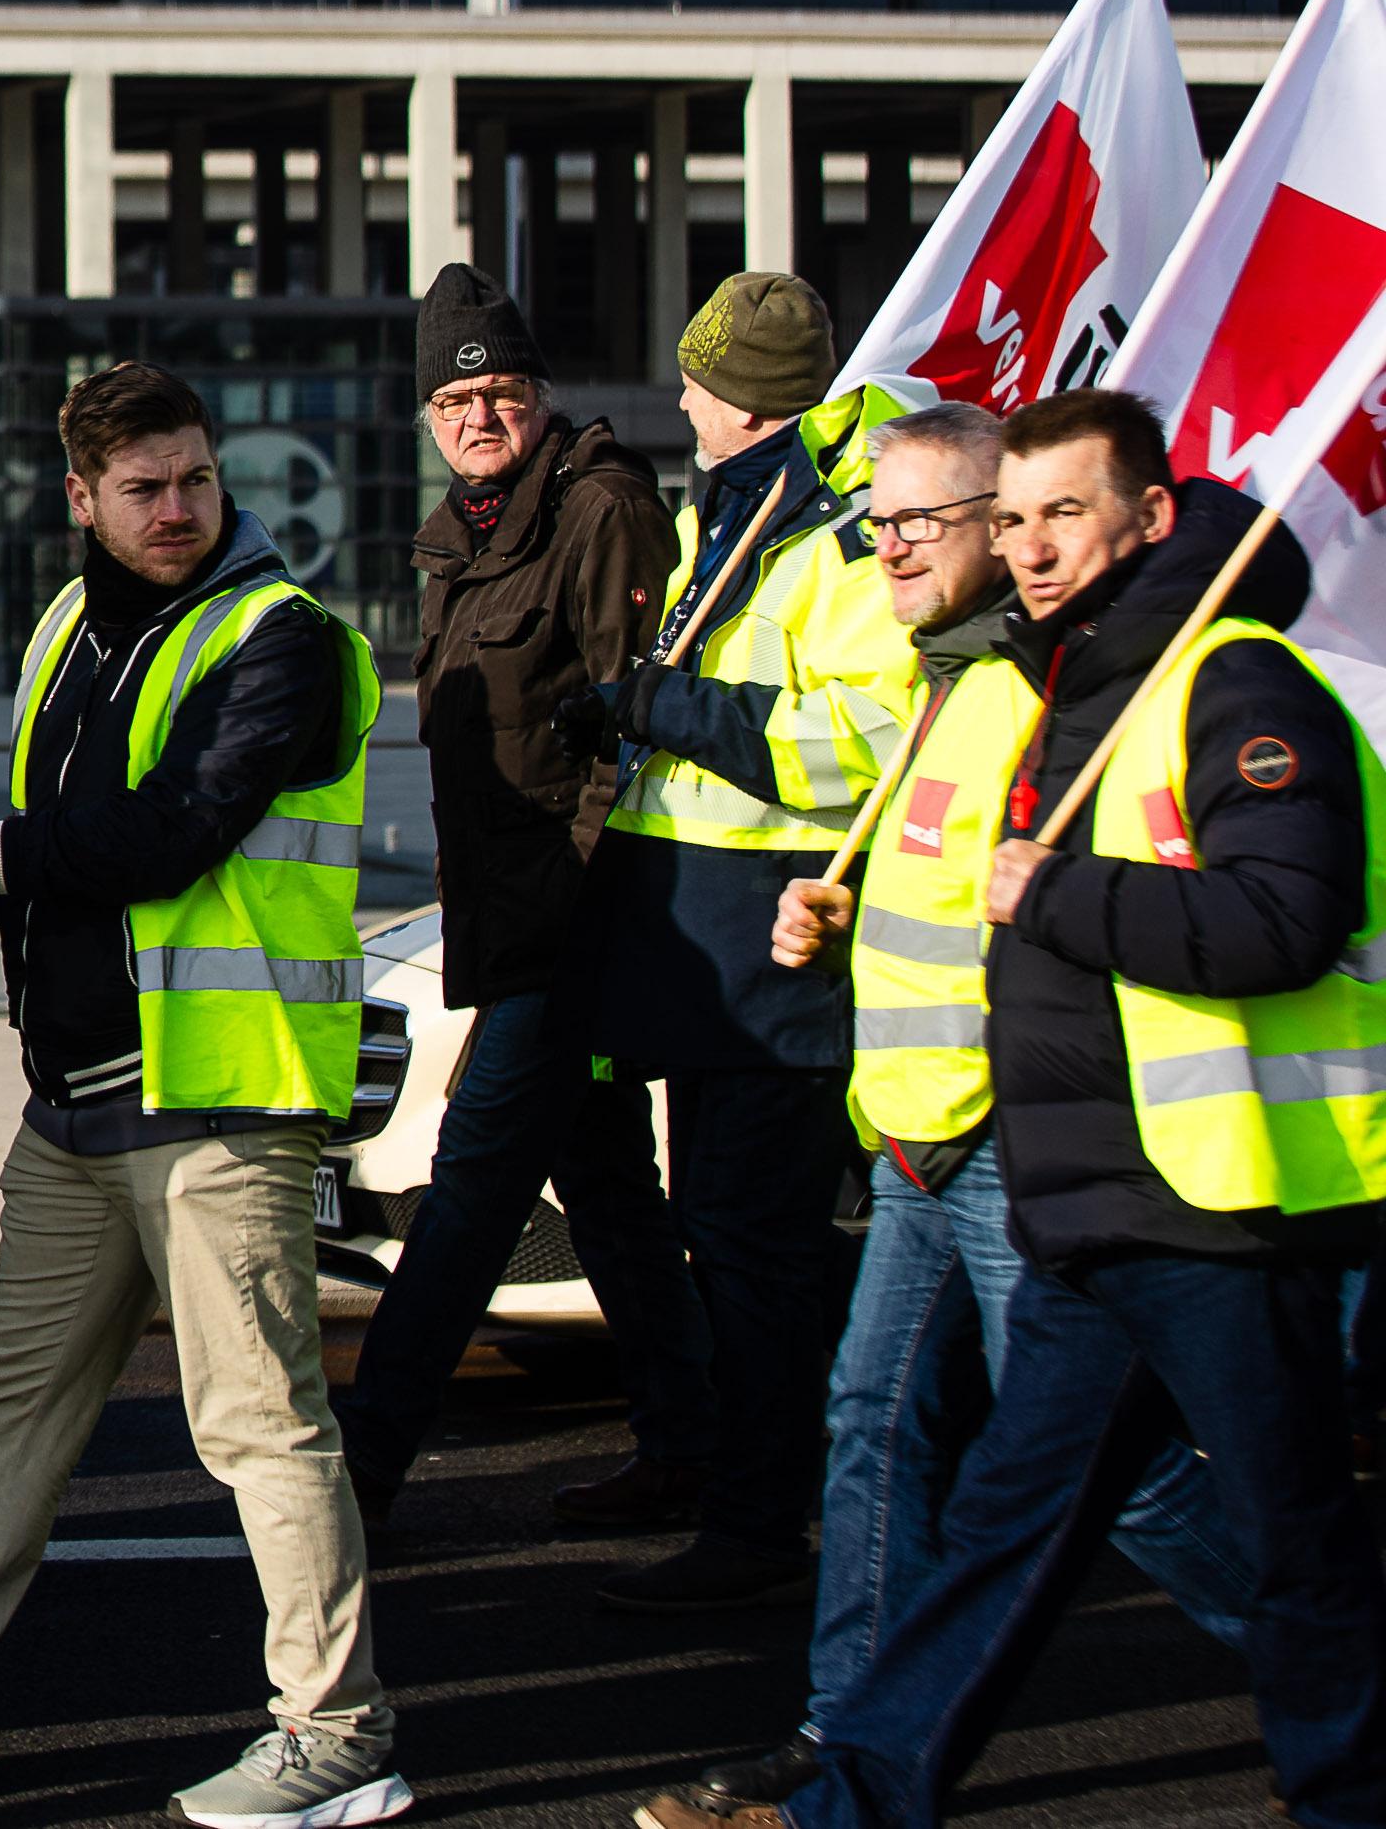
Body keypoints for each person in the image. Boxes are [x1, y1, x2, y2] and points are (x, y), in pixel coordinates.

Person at [636, 387, 1386, 1829]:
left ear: (1148, 517)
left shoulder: (1233, 681)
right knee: (1000, 1524)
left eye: (1061, 512)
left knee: (1281, 1536)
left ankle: (1350, 1789)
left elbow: (1289, 917)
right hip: (1087, 1190)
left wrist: (1061, 891)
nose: (1033, 547)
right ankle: (853, 1790)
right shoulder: (1046, 682)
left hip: (1223, 1202)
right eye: (1020, 516)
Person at [0, 358, 403, 1829]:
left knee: (258, 1422)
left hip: (221, 1096)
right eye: (146, 487)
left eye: (196, 480)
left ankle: (341, 1725)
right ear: (83, 500)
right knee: (13, 1404)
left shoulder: (279, 636)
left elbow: (159, 838)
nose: (178, 508)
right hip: (82, 1097)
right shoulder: (67, 625)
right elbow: (57, 844)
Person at [336, 264, 712, 1537]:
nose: (475, 418)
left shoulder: (601, 510)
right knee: (604, 1185)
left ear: (539, 398)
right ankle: (682, 1444)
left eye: (496, 394)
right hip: (500, 924)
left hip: (569, 921)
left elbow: (637, 731)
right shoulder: (465, 528)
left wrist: (573, 907)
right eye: (453, 404)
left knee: (468, 1192)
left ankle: (359, 1471)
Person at [577, 271, 912, 1612]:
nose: (681, 400)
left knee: (755, 1241)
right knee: (737, 1233)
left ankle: (775, 1517)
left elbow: (864, 746)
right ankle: (774, 1489)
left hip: (777, 944)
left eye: (699, 381)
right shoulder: (743, 504)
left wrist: (666, 708)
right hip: (711, 950)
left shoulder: (834, 533)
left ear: (741, 395)